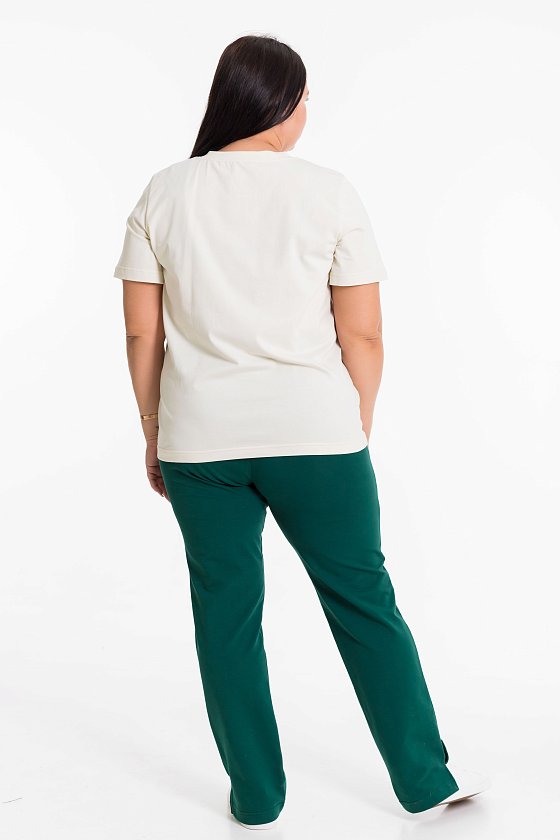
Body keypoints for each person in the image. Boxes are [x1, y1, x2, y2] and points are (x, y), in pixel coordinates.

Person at [113, 33, 490, 830]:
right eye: (305, 98)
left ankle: (256, 796)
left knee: (225, 615)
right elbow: (365, 334)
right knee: (364, 600)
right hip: (317, 434)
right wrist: (357, 420)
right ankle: (424, 778)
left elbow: (143, 333)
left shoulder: (164, 192)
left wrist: (153, 430)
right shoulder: (328, 192)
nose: (307, 112)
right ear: (279, 103)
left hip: (200, 441)